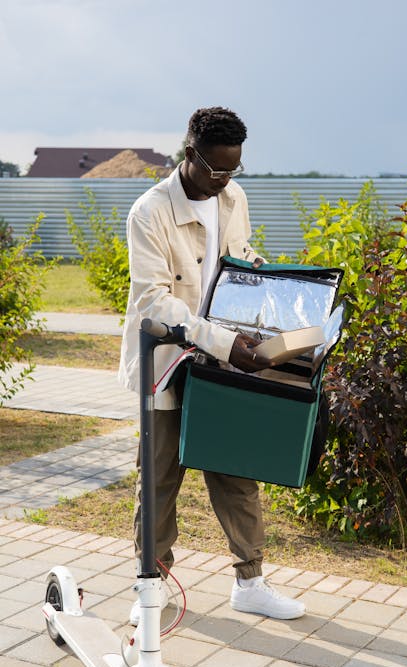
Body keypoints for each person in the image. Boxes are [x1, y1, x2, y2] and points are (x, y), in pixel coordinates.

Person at [119, 106, 305, 623]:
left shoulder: (234, 197)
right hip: (165, 361)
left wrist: (270, 283)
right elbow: (154, 302)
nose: (223, 181)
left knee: (236, 469)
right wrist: (220, 340)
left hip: (225, 357)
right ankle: (150, 590)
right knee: (159, 477)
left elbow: (237, 261)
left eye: (233, 170)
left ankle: (251, 584)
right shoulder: (149, 212)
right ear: (190, 154)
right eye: (215, 169)